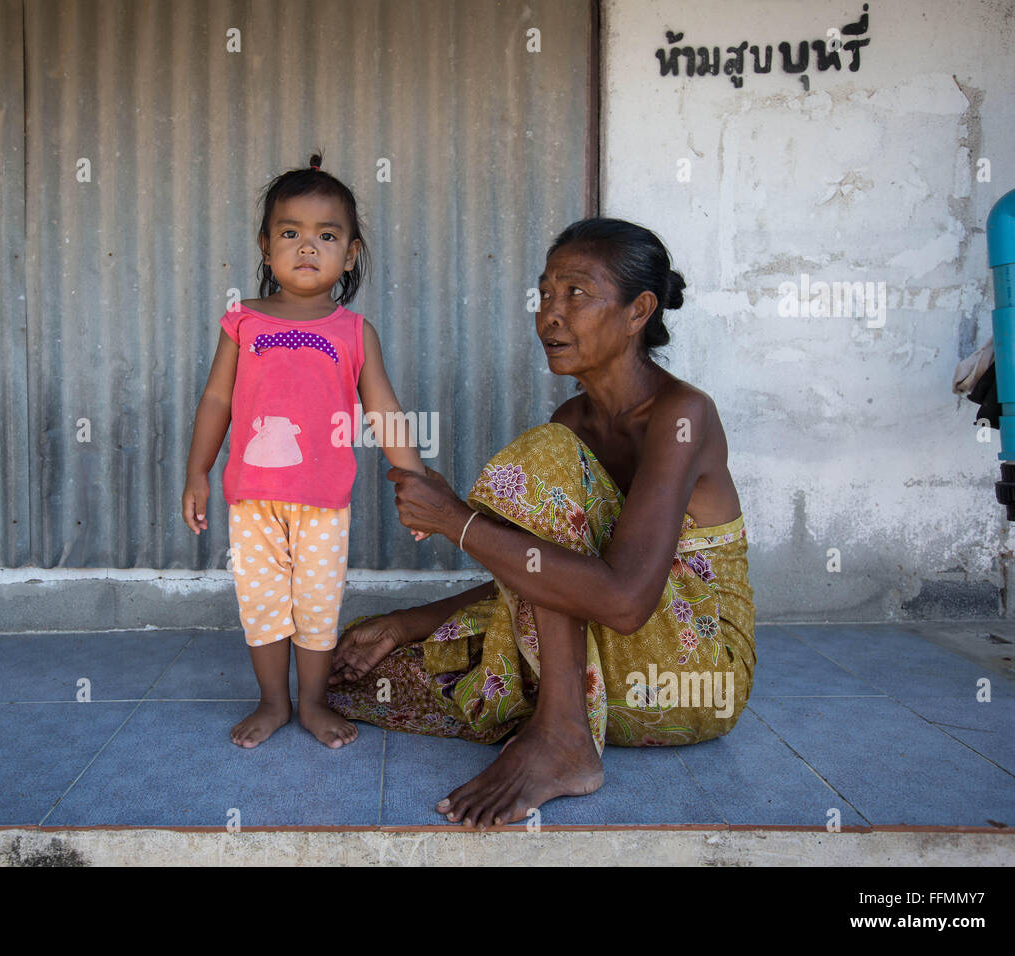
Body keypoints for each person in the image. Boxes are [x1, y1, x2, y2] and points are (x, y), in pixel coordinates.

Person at [326, 218, 756, 828]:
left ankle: (561, 738)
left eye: (576, 294)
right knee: (349, 677)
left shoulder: (683, 415)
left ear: (639, 311)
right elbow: (556, 579)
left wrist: (456, 521)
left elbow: (626, 600)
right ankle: (559, 716)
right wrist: (407, 623)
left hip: (690, 680)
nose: (551, 314)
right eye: (545, 294)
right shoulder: (574, 419)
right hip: (612, 679)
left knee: (544, 455)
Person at [182, 154, 427, 750]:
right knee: (263, 603)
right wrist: (197, 471)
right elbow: (217, 399)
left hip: (323, 502)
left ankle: (314, 703)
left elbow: (385, 412)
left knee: (317, 606)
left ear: (351, 251)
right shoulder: (241, 321)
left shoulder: (353, 331)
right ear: (266, 247)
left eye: (326, 235)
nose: (307, 246)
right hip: (251, 499)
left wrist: (416, 482)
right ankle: (273, 702)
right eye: (290, 233)